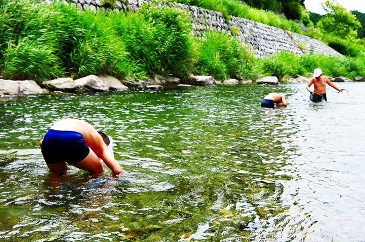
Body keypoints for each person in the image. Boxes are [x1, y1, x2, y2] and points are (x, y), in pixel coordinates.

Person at [39, 118, 123, 176]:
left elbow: (41, 143)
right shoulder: (101, 142)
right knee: (98, 170)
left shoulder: (86, 132)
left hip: (49, 137)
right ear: (106, 144)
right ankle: (90, 198)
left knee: (59, 174)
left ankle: (52, 196)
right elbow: (117, 170)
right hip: (72, 136)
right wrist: (113, 184)